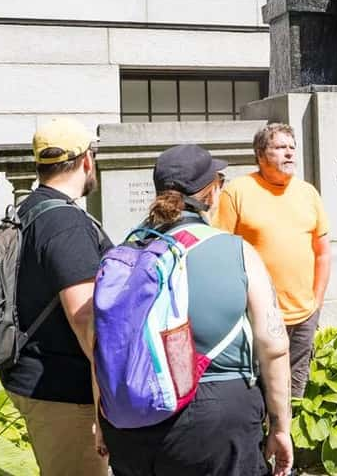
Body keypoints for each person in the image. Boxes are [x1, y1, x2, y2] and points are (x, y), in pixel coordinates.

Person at [100, 144, 293, 476]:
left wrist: (100, 420)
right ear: (213, 191)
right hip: (216, 416)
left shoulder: (125, 253)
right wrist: (280, 426)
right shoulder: (236, 250)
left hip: (129, 417)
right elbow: (273, 345)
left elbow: (102, 347)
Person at [2, 117, 111, 475]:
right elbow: (86, 319)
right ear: (86, 160)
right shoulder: (65, 223)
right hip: (64, 391)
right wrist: (103, 404)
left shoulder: (28, 208)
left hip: (34, 376)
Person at [214, 123, 332, 397]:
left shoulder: (308, 193)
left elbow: (323, 251)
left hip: (304, 313)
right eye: (280, 148)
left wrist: (317, 301)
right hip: (259, 312)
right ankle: (262, 439)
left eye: (292, 148)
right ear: (260, 154)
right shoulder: (238, 191)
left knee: (295, 389)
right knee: (260, 389)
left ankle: (289, 438)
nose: (289, 154)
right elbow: (221, 251)